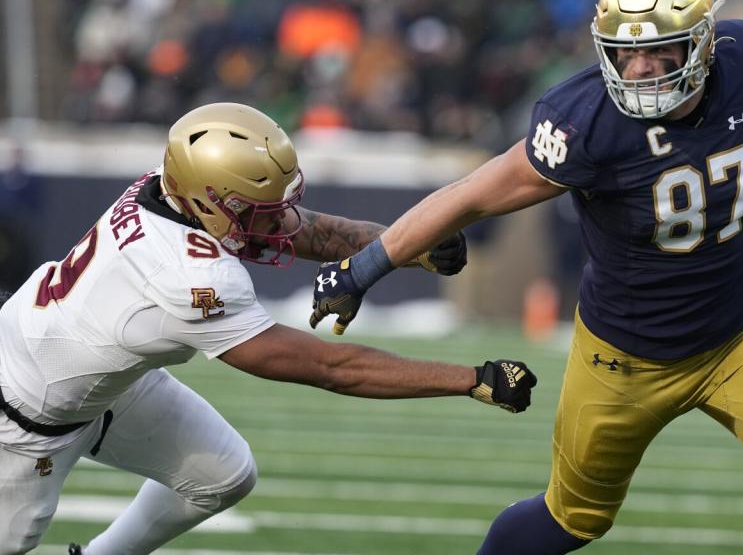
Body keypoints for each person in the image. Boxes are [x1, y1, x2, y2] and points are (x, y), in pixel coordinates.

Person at [308, 0, 743, 554]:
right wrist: (364, 269)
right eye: (627, 52)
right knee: (569, 522)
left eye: (661, 50)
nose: (642, 69)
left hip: (737, 340)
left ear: (703, 44)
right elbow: (472, 195)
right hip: (621, 363)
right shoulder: (585, 123)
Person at [0, 102, 538, 555]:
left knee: (223, 474)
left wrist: (401, 247)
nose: (276, 220)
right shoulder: (190, 276)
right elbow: (333, 368)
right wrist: (470, 378)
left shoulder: (171, 192)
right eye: (256, 209)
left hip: (92, 374)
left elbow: (311, 231)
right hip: (25, 418)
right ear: (210, 200)